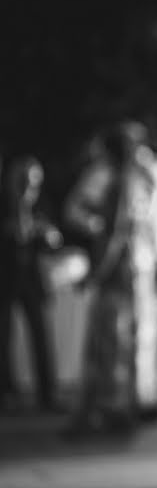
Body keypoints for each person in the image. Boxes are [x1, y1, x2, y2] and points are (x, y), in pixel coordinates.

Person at [63, 122, 157, 435]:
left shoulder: (123, 180)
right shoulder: (150, 175)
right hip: (142, 266)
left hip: (123, 270)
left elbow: (115, 234)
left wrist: (96, 272)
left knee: (115, 339)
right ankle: (135, 404)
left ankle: (115, 411)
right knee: (136, 337)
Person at [0, 156, 63, 412]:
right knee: (3, 337)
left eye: (35, 182)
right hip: (5, 276)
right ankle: (6, 391)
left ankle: (47, 394)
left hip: (32, 279)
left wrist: (47, 234)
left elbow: (54, 238)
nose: (30, 188)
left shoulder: (41, 204)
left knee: (40, 334)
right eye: (25, 182)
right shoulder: (4, 204)